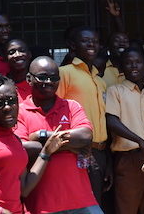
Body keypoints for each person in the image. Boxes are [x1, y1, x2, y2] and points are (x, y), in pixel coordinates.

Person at [0, 74, 67, 214]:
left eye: (11, 101)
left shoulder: (15, 140)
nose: (7, 107)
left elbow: (25, 188)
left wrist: (46, 152)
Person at [14, 56, 101, 214]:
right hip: (41, 204)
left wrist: (40, 136)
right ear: (29, 79)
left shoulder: (71, 106)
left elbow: (85, 136)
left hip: (81, 199)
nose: (48, 81)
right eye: (42, 77)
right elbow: (23, 149)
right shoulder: (19, 112)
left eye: (53, 78)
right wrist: (72, 147)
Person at [106, 49, 144, 213]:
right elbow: (111, 120)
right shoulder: (116, 91)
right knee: (127, 207)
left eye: (138, 62)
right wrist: (140, 141)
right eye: (128, 62)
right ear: (122, 68)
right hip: (129, 158)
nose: (134, 66)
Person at [55, 26, 111, 206]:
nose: (91, 44)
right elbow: (55, 113)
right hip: (78, 151)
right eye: (86, 41)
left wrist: (107, 159)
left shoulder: (99, 80)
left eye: (95, 41)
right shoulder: (65, 73)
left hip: (101, 152)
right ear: (73, 45)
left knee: (97, 203)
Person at [5, 39, 33, 103]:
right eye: (12, 52)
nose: (17, 55)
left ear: (29, 54)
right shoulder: (1, 84)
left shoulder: (37, 84)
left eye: (22, 51)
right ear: (5, 58)